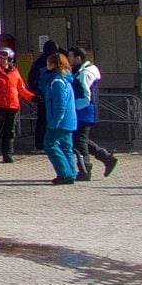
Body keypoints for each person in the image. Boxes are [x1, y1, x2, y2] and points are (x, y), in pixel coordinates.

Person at [70, 46, 115, 176]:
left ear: (78, 58)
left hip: (84, 113)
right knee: (81, 139)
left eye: (70, 56)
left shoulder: (84, 74)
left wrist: (73, 106)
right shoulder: (79, 72)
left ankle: (86, 169)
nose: (68, 59)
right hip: (83, 112)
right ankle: (106, 157)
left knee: (80, 141)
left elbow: (86, 97)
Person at [40, 49, 81, 185]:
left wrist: (54, 121)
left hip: (60, 121)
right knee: (66, 147)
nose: (47, 66)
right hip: (70, 120)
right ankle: (72, 172)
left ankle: (64, 173)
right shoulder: (66, 79)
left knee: (50, 144)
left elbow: (60, 104)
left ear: (54, 64)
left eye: (48, 63)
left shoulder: (57, 81)